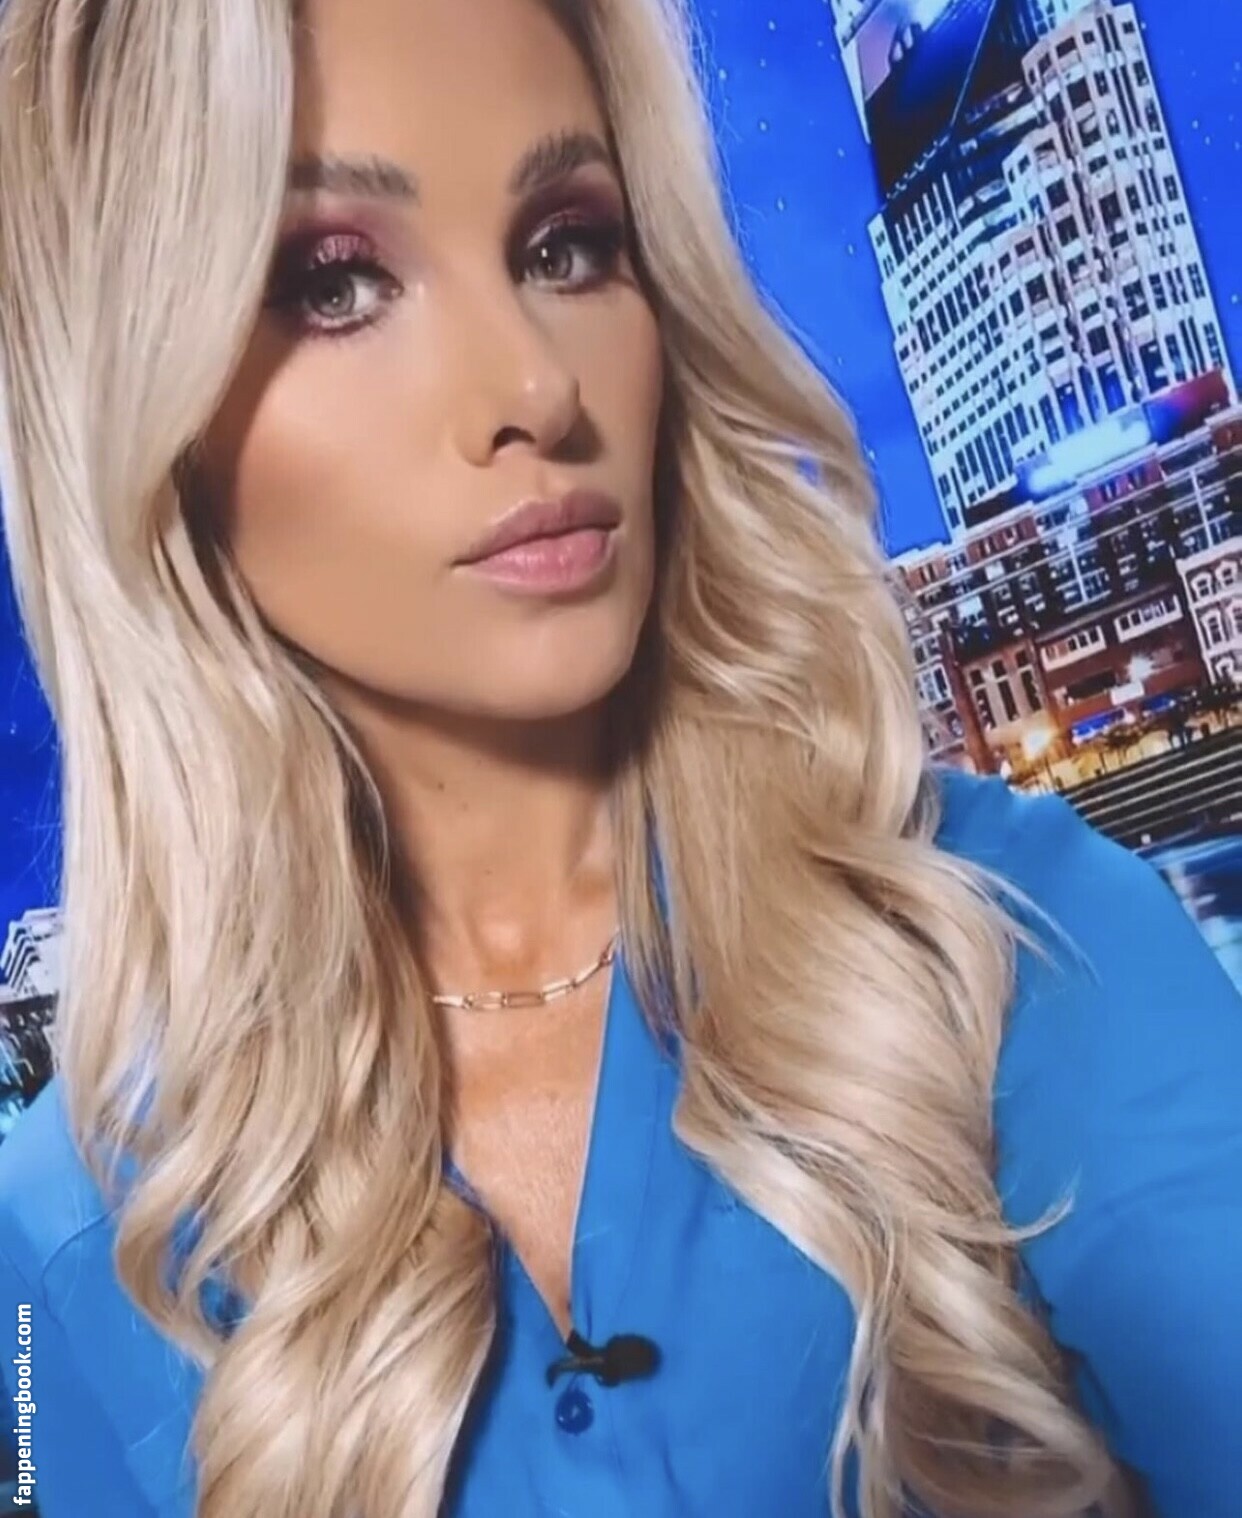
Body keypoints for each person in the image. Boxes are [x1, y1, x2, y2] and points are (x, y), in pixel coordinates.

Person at [0, 1, 1237, 1515]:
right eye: (333, 283)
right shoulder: (72, 1230)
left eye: (565, 246)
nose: (535, 387)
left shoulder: (1009, 948)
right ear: (143, 414)